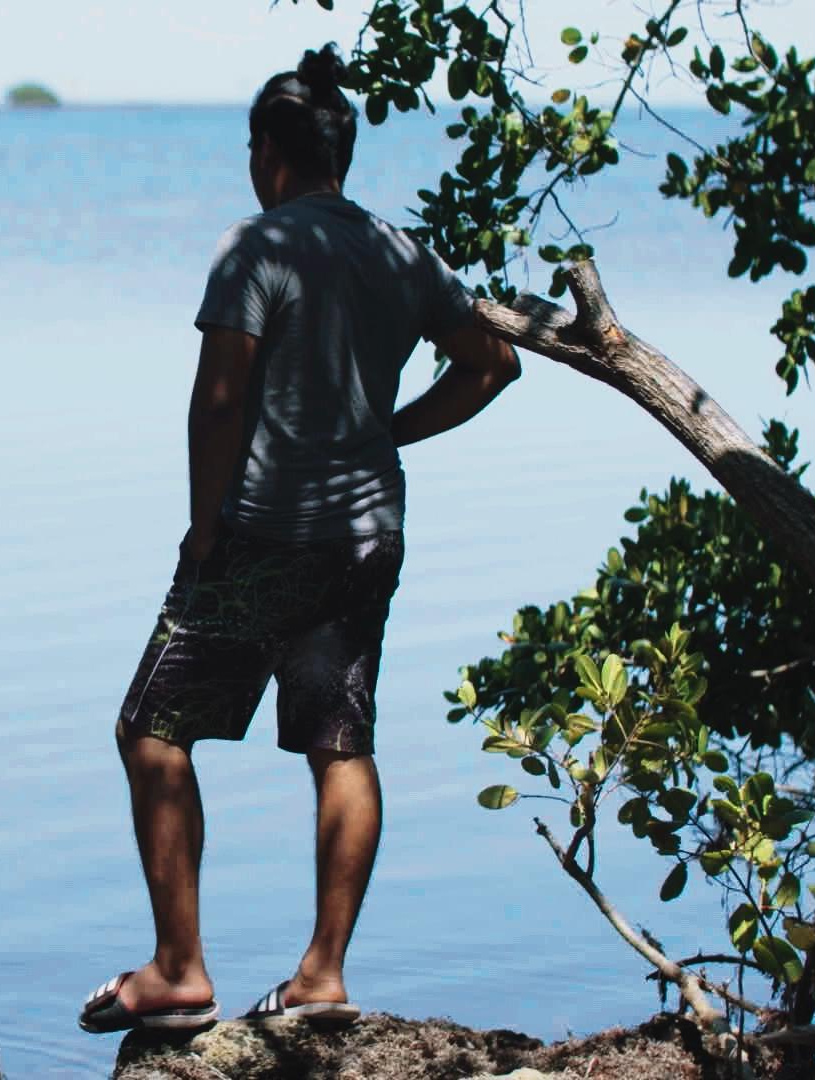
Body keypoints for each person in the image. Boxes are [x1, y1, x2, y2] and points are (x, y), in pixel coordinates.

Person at [80, 46, 521, 1033]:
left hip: (263, 536)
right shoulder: (401, 252)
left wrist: (203, 531)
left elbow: (220, 399)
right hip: (367, 535)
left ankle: (180, 969)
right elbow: (491, 362)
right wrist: (391, 428)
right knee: (340, 742)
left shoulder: (260, 247)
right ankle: (322, 974)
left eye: (250, 147)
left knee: (150, 732)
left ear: (271, 151)